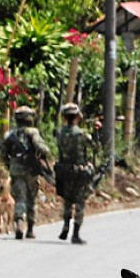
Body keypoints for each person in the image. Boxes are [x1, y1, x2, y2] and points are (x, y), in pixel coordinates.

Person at [1, 105, 51, 240]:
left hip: (16, 170)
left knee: (20, 198)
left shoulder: (10, 135)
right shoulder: (33, 132)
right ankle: (30, 229)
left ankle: (19, 222)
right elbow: (42, 148)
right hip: (31, 170)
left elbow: (4, 154)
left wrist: (10, 165)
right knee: (31, 199)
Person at [54, 102, 95, 245]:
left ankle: (65, 226)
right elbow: (92, 147)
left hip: (64, 170)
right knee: (79, 202)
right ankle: (75, 234)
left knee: (66, 200)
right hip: (79, 171)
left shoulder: (59, 132)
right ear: (77, 116)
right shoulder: (82, 134)